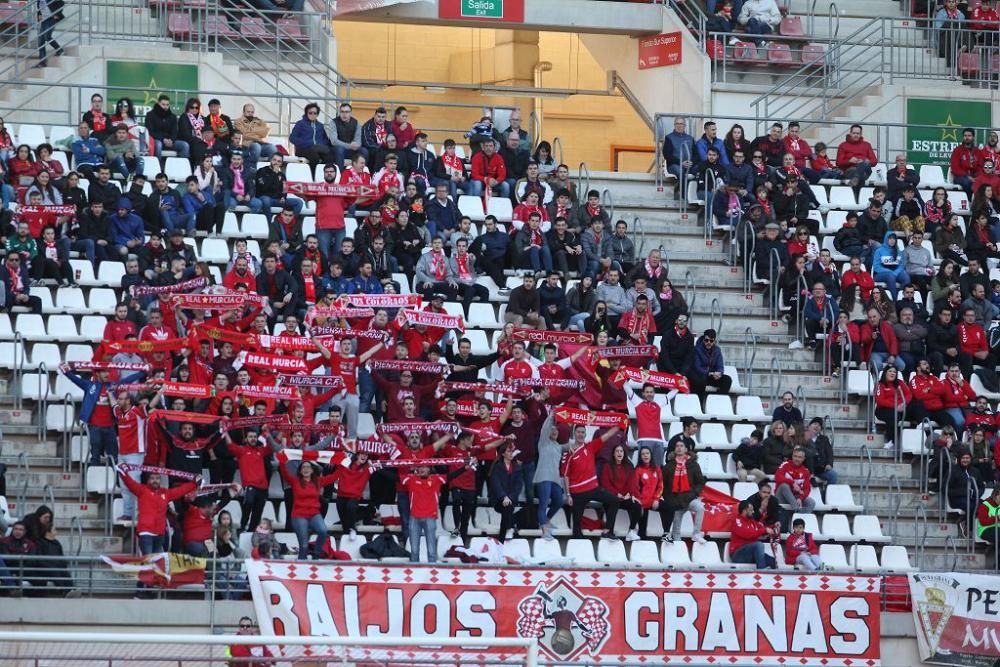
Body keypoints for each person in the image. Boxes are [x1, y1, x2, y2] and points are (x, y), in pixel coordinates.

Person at [117, 467, 199, 555]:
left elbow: (181, 490)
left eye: (157, 478)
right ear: (148, 481)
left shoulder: (166, 493)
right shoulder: (142, 490)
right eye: (152, 478)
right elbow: (130, 483)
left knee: (157, 562)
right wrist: (122, 472)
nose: (155, 481)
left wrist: (195, 483)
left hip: (160, 532)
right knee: (148, 560)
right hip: (146, 532)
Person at [562, 423, 622, 539]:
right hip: (577, 492)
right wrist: (568, 494)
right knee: (577, 528)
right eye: (578, 432)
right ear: (574, 433)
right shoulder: (569, 452)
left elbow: (607, 435)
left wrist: (619, 424)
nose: (580, 434)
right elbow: (566, 475)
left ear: (585, 434)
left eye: (583, 432)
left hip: (593, 488)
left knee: (614, 501)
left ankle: (607, 531)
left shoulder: (590, 446)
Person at [277, 453, 340, 560]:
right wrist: (282, 460)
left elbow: (334, 476)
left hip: (314, 514)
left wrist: (341, 464)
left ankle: (316, 554)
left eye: (308, 467)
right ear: (300, 471)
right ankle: (301, 568)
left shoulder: (318, 481)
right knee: (304, 545)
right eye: (303, 467)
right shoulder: (295, 481)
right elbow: (284, 472)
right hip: (299, 515)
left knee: (323, 531)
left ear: (312, 470)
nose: (306, 469)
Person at [662, 440, 707, 543]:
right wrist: (670, 500)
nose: (679, 448)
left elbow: (700, 482)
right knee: (676, 530)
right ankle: (678, 550)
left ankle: (696, 533)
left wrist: (694, 493)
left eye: (681, 446)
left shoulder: (693, 464)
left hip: (689, 497)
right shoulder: (668, 466)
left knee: (700, 507)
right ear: (674, 450)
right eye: (677, 446)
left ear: (686, 449)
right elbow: (663, 485)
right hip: (675, 501)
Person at [400, 464, 446, 562]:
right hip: (414, 518)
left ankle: (432, 574)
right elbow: (395, 477)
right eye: (420, 467)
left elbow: (451, 475)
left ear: (430, 469)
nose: (421, 469)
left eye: (425, 466)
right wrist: (379, 468)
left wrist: (464, 468)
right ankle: (414, 574)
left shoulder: (436, 479)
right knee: (414, 551)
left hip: (430, 517)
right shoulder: (411, 479)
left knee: (431, 550)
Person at [729, 499, 779, 569]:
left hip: (751, 553)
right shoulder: (737, 521)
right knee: (759, 545)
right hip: (737, 554)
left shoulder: (752, 521)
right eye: (751, 510)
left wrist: (774, 526)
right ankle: (761, 573)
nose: (753, 512)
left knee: (773, 561)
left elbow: (762, 528)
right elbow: (747, 534)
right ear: (744, 511)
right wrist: (765, 530)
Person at [948, 450, 984, 534]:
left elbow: (981, 486)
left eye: (967, 458)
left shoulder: (975, 471)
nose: (965, 460)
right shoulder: (953, 471)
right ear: (959, 459)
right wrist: (964, 492)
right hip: (956, 499)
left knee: (985, 506)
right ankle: (968, 527)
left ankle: (976, 527)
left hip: (973, 497)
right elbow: (945, 488)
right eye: (963, 458)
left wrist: (976, 494)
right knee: (972, 506)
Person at [289, 103, 333, 170]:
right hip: (302, 148)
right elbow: (292, 138)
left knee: (329, 157)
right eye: (310, 113)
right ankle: (313, 177)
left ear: (317, 114)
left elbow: (325, 139)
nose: (312, 115)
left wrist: (321, 144)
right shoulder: (300, 124)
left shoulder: (320, 126)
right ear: (306, 113)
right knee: (314, 157)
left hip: (317, 148)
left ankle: (323, 177)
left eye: (315, 113)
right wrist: (306, 143)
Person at [689, 328, 732, 396]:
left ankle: (718, 400)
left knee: (727, 380)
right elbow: (697, 367)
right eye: (706, 340)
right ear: (703, 340)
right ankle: (700, 404)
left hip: (712, 376)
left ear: (714, 341)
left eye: (711, 341)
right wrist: (709, 373)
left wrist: (719, 373)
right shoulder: (697, 349)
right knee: (701, 381)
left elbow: (720, 366)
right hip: (700, 376)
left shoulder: (717, 350)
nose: (708, 343)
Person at [836, 124, 878, 189]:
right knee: (856, 172)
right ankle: (856, 178)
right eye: (854, 133)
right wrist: (849, 161)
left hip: (865, 170)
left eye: (858, 133)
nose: (856, 135)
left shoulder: (867, 145)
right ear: (850, 133)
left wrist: (862, 162)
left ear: (861, 134)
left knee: (866, 162)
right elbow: (838, 162)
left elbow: (874, 161)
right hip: (850, 170)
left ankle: (856, 178)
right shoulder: (843, 145)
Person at [975, 486, 999, 569]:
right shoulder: (985, 505)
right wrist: (997, 518)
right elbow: (983, 522)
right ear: (995, 495)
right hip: (985, 530)